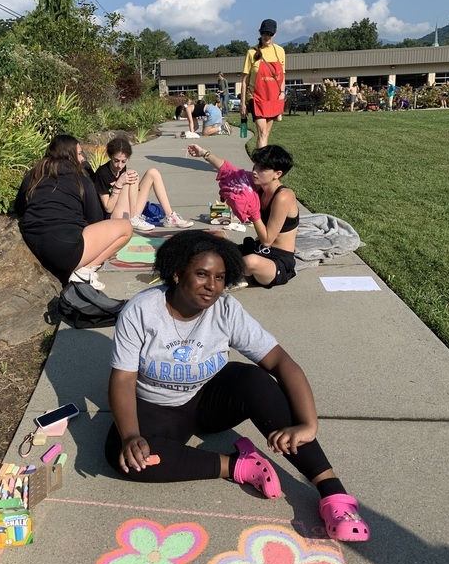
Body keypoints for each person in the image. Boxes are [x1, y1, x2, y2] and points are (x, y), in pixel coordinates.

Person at [104, 231, 370, 542]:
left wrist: (308, 424)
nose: (212, 286)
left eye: (219, 277)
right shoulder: (142, 311)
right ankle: (237, 465)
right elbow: (122, 379)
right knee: (124, 457)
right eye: (201, 274)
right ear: (176, 273)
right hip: (156, 408)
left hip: (208, 401)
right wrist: (131, 435)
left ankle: (334, 494)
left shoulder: (226, 310)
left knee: (254, 380)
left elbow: (281, 362)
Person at [14, 134, 132, 291]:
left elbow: (19, 207)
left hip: (34, 241)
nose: (82, 158)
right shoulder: (82, 180)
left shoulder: (34, 175)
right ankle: (84, 272)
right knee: (126, 228)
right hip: (66, 250)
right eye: (79, 153)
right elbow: (95, 219)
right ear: (69, 155)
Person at [187, 143, 298, 288]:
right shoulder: (259, 184)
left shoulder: (283, 196)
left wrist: (253, 211)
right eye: (255, 166)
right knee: (211, 246)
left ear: (278, 174)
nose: (255, 172)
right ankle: (236, 274)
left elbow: (267, 240)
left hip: (277, 260)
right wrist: (204, 153)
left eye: (262, 169)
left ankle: (233, 276)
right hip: (257, 249)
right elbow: (230, 171)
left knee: (250, 261)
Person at [93, 135, 193, 231]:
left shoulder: (121, 168)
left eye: (123, 161)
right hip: (115, 216)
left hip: (127, 209)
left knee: (153, 173)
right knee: (131, 174)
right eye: (116, 161)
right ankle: (133, 218)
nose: (119, 165)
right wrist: (118, 185)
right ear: (110, 156)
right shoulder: (102, 173)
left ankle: (170, 217)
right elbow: (108, 208)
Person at [241, 19, 286, 153]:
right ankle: (262, 162)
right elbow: (244, 81)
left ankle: (259, 161)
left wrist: (282, 93)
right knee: (262, 131)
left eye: (270, 34)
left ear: (275, 33)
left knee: (265, 133)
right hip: (256, 98)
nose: (267, 36)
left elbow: (282, 75)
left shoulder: (280, 51)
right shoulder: (252, 52)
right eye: (264, 33)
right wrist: (243, 104)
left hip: (273, 98)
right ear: (260, 32)